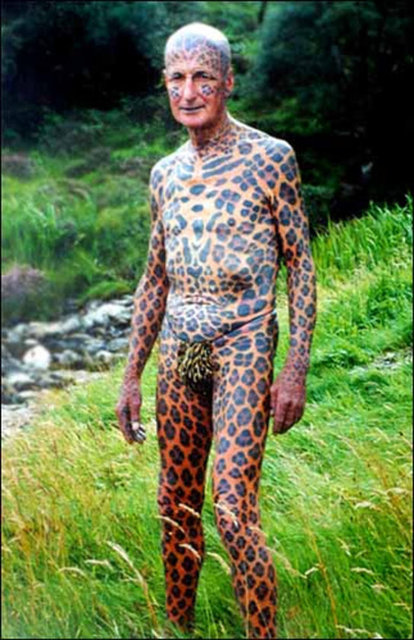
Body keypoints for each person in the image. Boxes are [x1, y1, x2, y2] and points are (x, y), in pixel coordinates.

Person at [116, 22, 317, 639]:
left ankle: (263, 634)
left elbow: (300, 265)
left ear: (228, 82)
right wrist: (131, 375)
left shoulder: (270, 158)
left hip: (243, 342)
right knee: (174, 504)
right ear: (164, 84)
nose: (188, 92)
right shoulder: (164, 174)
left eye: (203, 78)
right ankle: (179, 627)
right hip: (181, 349)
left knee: (231, 507)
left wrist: (295, 368)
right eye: (177, 78)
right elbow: (155, 278)